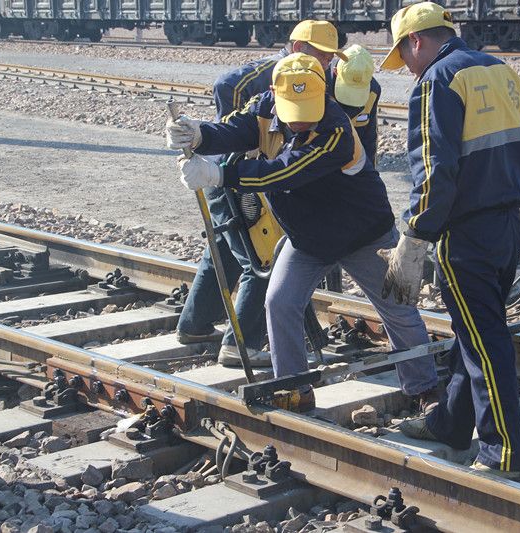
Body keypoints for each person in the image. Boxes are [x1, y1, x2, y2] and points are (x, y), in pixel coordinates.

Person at [166, 53, 439, 412]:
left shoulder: (336, 130)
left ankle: (425, 389)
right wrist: (200, 135)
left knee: (398, 310)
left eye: (307, 109)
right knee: (279, 303)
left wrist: (219, 176)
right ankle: (294, 387)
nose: (299, 122)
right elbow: (237, 130)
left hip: (364, 236)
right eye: (293, 111)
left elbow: (285, 172)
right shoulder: (263, 107)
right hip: (308, 238)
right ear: (276, 96)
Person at [379, 2, 520, 480]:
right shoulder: (501, 70)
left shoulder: (437, 80)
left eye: (404, 57)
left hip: (466, 236)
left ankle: (504, 456)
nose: (407, 68)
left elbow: (435, 171)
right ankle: (451, 424)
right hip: (507, 230)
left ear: (416, 41)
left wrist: (414, 236)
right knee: (474, 327)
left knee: (484, 341)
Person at [175, 20, 349, 369]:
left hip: (236, 177)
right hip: (234, 177)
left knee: (225, 249)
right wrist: (231, 144)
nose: (329, 64)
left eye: (331, 58)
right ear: (300, 49)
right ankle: (243, 344)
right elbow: (226, 88)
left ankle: (194, 325)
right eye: (324, 55)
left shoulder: (312, 74)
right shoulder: (272, 73)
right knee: (263, 260)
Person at [328, 44, 381, 164]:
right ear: (336, 72)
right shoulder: (321, 83)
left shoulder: (373, 90)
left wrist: (370, 174)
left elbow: (369, 137)